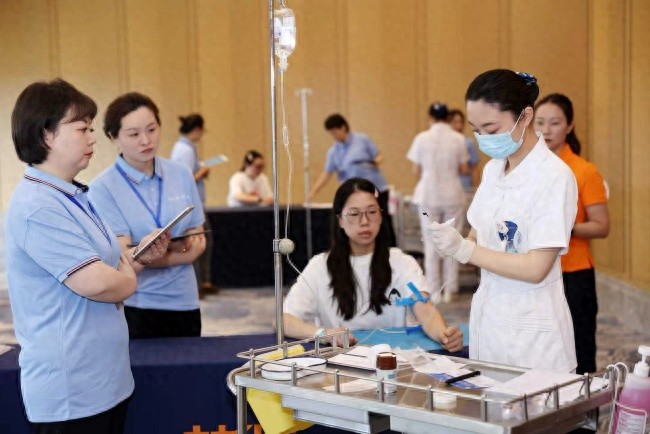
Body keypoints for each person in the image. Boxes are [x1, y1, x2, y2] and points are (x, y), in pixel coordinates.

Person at [5, 79, 168, 433]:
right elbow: (97, 282)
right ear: (47, 135)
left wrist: (138, 259)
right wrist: (127, 278)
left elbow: (114, 264)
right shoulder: (38, 206)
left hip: (103, 380)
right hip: (71, 392)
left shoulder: (74, 194)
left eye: (91, 128)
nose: (92, 138)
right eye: (82, 129)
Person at [427, 69, 579, 372]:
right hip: (491, 318)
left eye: (491, 128)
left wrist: (465, 250)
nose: (484, 138)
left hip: (533, 332)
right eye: (476, 130)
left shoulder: (554, 177)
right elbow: (478, 235)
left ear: (525, 116)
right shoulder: (493, 170)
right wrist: (454, 241)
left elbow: (535, 268)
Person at [283, 178, 463, 352]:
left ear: (381, 215)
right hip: (340, 362)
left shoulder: (403, 263)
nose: (364, 221)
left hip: (393, 361)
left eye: (371, 212)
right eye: (354, 214)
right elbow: (284, 320)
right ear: (340, 220)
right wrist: (323, 334)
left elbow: (425, 310)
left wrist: (444, 334)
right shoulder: (319, 267)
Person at [90, 92, 207, 339]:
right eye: (133, 134)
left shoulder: (181, 174)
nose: (146, 140)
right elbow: (123, 258)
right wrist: (181, 254)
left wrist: (150, 255)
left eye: (152, 129)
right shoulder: (103, 188)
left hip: (185, 300)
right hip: (136, 304)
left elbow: (198, 238)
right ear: (113, 137)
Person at [535, 93, 610, 374]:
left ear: (569, 126)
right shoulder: (529, 170)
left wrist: (563, 228)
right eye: (540, 122)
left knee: (579, 349)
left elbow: (601, 226)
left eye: (555, 123)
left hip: (574, 274)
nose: (546, 130)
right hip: (536, 271)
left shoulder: (584, 171)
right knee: (542, 348)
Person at [407, 102, 469, 302]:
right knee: (452, 240)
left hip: (429, 194)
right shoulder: (459, 139)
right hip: (452, 194)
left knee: (431, 242)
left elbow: (416, 171)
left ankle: (434, 290)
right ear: (447, 118)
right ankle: (450, 288)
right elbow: (464, 169)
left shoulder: (421, 138)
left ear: (430, 118)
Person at [310, 113, 396, 246]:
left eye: (335, 132)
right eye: (331, 133)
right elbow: (326, 173)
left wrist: (375, 161)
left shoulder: (362, 139)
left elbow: (378, 156)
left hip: (376, 189)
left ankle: (389, 248)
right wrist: (313, 192)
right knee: (359, 222)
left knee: (383, 222)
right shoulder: (333, 152)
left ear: (343, 128)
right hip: (354, 193)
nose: (333, 136)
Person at [171, 113, 217, 297]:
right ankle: (196, 285)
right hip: (190, 205)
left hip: (193, 204)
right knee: (197, 242)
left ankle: (203, 283)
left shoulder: (186, 148)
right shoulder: (184, 150)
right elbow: (184, 179)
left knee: (203, 242)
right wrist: (202, 172)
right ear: (197, 130)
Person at [449, 109, 480, 190]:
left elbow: (475, 169)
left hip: (465, 187)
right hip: (448, 188)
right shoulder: (443, 144)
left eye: (461, 122)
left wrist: (475, 189)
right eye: (455, 122)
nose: (459, 126)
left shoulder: (469, 143)